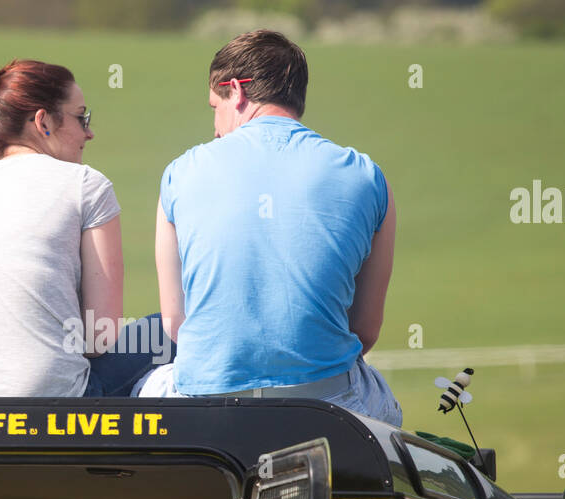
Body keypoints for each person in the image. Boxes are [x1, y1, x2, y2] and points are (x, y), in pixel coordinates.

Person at [137, 30, 402, 426]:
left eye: (215, 107)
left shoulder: (179, 174)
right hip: (325, 402)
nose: (215, 127)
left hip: (205, 398)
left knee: (147, 385)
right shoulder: (367, 177)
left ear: (237, 91)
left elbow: (176, 324)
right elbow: (364, 330)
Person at [0, 57, 171, 397]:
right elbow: (100, 337)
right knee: (176, 324)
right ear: (43, 122)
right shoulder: (86, 185)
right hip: (47, 400)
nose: (89, 131)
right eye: (81, 116)